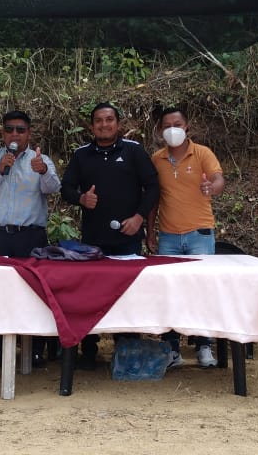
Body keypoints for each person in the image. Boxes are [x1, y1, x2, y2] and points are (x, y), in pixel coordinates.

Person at [60, 102, 160, 370]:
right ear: (92, 125)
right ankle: (89, 350)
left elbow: (153, 187)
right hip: (93, 242)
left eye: (109, 120)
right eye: (99, 121)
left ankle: (127, 351)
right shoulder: (81, 155)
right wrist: (81, 198)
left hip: (128, 239)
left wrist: (139, 217)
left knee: (127, 296)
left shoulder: (134, 151)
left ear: (118, 123)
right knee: (90, 297)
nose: (104, 125)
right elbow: (66, 188)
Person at [0, 110, 61, 369]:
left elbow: (54, 188)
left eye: (20, 130)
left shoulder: (40, 159)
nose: (14, 134)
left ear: (29, 133)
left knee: (34, 293)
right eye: (9, 129)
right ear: (2, 133)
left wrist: (43, 171)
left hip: (30, 236)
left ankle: (34, 349)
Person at [146, 107, 225, 369]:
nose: (173, 129)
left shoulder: (202, 153)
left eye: (177, 124)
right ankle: (172, 348)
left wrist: (211, 187)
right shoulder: (156, 159)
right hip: (168, 236)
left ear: (187, 126)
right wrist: (150, 232)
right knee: (170, 292)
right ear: (160, 131)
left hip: (199, 234)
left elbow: (218, 179)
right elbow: (153, 199)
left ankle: (204, 346)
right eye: (167, 125)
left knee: (202, 290)